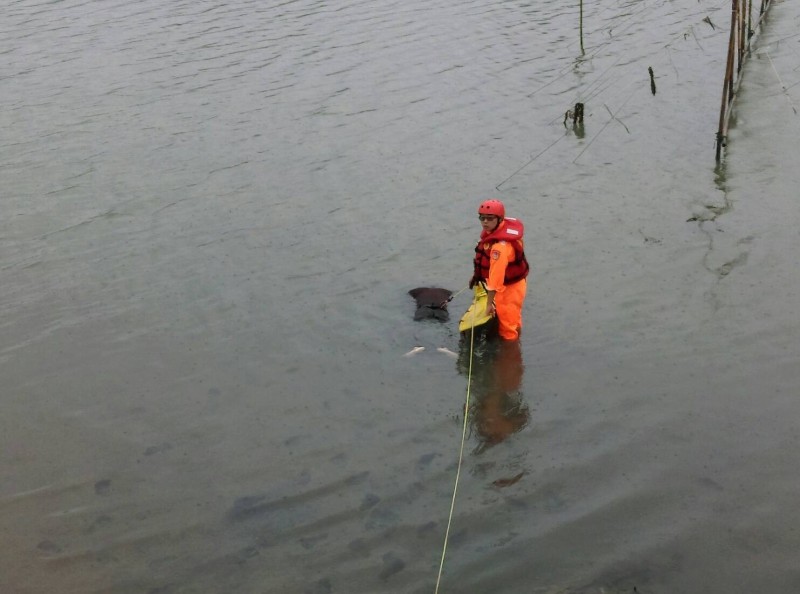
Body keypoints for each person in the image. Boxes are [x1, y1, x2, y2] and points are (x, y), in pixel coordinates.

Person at [469, 199, 529, 341]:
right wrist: (476, 276)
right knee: (513, 319)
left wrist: (489, 304)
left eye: (489, 219)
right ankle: (516, 337)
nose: (485, 222)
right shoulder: (498, 232)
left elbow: (496, 280)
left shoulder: (499, 248)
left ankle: (510, 356)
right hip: (515, 284)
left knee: (507, 329)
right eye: (482, 218)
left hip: (508, 289)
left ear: (499, 219)